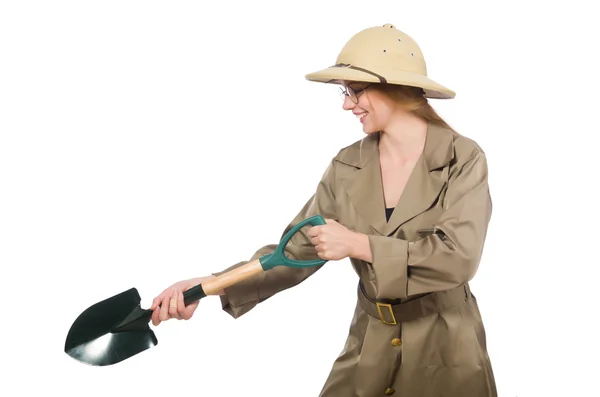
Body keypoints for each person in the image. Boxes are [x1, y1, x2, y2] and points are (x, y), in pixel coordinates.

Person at [150, 23, 497, 397]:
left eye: (355, 91)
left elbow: (459, 257)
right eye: (345, 92)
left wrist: (359, 245)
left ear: (394, 87)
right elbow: (293, 253)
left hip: (447, 348)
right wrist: (208, 286)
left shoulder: (462, 158)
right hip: (370, 342)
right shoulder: (347, 166)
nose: (347, 104)